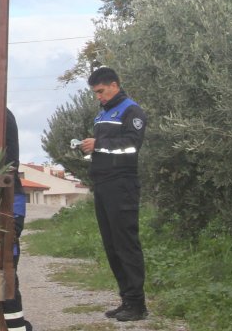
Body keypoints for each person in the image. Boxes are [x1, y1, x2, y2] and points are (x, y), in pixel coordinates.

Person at [79, 66, 148, 322]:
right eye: (95, 93)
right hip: (104, 185)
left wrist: (99, 145)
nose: (98, 96)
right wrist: (90, 148)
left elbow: (132, 145)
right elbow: (106, 149)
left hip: (122, 186)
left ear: (114, 85)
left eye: (101, 91)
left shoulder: (131, 110)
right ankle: (126, 300)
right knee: (111, 246)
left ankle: (138, 304)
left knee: (126, 245)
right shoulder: (103, 114)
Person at [4, 109, 33, 331]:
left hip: (9, 200)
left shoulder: (1, 116)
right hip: (10, 198)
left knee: (6, 267)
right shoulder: (3, 114)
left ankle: (16, 328)